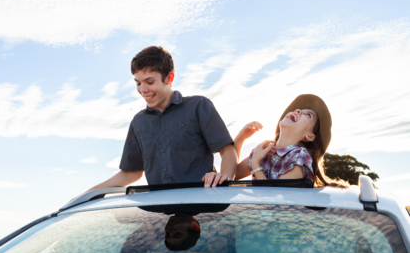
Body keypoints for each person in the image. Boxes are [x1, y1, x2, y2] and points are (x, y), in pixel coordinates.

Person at [89, 46, 237, 191]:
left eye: (150, 82)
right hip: (162, 211)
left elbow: (227, 150)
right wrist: (90, 193)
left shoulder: (198, 106)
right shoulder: (138, 122)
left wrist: (224, 179)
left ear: (169, 78)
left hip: (203, 205)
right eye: (138, 83)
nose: (142, 90)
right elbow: (131, 173)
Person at [205, 94, 348, 187]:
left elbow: (277, 199)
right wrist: (240, 138)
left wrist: (255, 164)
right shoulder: (263, 151)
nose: (298, 111)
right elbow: (232, 174)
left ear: (310, 136)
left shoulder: (300, 155)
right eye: (299, 110)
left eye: (308, 115)